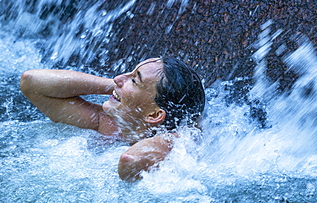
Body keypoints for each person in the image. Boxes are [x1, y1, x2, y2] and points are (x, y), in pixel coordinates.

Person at [20, 57, 205, 181]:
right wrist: (116, 88)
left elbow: (130, 161)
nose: (118, 77)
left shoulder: (178, 142)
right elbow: (31, 82)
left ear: (154, 115)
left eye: (134, 80)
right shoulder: (112, 124)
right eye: (130, 72)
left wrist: (123, 91)